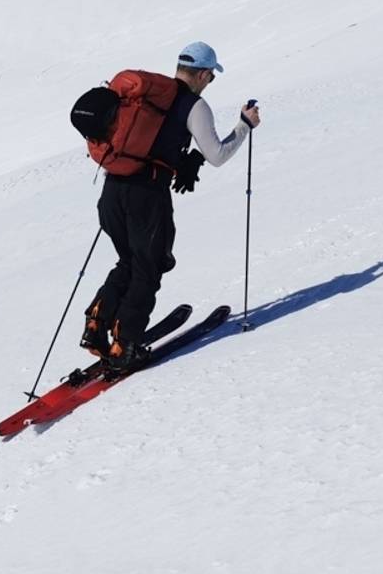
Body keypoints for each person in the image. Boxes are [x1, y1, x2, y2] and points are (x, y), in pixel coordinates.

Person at [81, 41, 261, 369]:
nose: (209, 83)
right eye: (211, 77)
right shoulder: (194, 105)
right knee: (149, 267)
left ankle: (96, 324)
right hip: (146, 197)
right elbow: (217, 155)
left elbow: (156, 144)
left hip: (111, 190)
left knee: (130, 261)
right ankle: (126, 345)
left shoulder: (147, 101)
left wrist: (183, 162)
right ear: (204, 73)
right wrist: (244, 125)